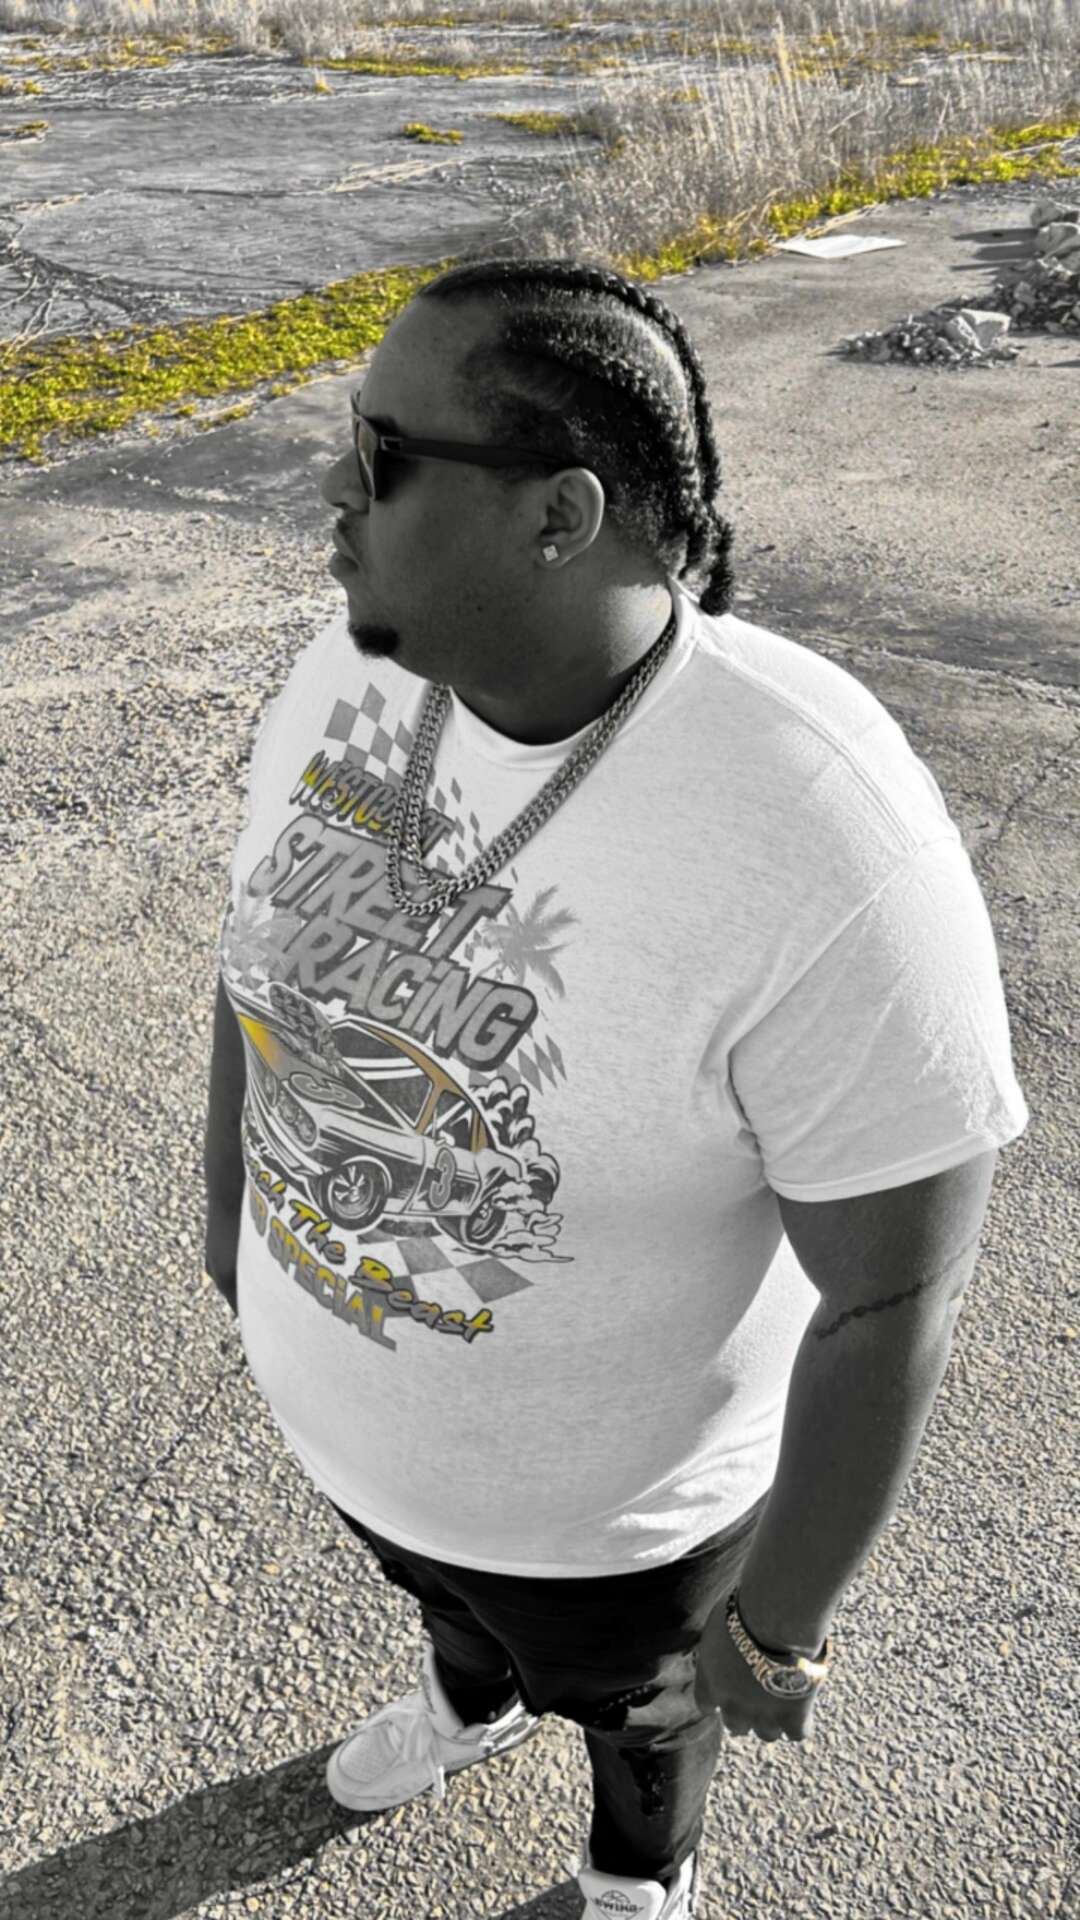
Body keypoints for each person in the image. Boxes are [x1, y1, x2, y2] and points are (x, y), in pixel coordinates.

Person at [203, 254, 1029, 1920]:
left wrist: (777, 1631)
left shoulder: (819, 825)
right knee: (450, 1608)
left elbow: (893, 1291)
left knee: (644, 1717)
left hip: (621, 1533)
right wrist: (228, 1224)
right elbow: (255, 958)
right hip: (358, 1443)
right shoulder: (355, 665)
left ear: (560, 515)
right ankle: (471, 1695)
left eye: (381, 455)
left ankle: (639, 1861)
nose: (331, 491)